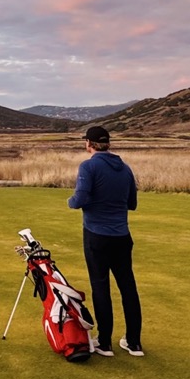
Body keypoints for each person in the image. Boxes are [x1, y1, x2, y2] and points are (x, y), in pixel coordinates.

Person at [67, 126, 144, 357]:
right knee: (127, 286)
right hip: (122, 236)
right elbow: (132, 203)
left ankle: (104, 342)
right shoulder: (125, 168)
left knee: (100, 286)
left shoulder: (88, 166)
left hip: (96, 235)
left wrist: (70, 201)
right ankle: (134, 343)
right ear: (107, 143)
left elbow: (78, 200)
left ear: (88, 143)